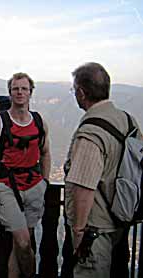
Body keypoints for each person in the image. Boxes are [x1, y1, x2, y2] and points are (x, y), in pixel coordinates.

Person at [64, 62, 142, 277]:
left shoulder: (91, 133)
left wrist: (78, 232)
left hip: (95, 230)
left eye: (74, 90)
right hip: (121, 220)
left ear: (81, 92)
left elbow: (84, 187)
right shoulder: (128, 121)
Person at [0, 72, 51, 278]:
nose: (20, 92)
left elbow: (45, 153)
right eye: (15, 89)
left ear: (30, 93)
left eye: (24, 89)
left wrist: (44, 183)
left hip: (34, 186)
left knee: (18, 245)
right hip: (7, 187)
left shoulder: (39, 122)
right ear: (10, 93)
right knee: (23, 241)